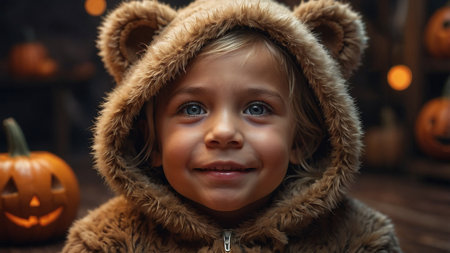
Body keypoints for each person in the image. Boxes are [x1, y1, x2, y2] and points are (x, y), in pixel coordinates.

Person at [63, 0, 402, 252]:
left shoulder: (359, 241)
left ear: (301, 140)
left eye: (257, 108)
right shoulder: (105, 243)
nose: (224, 133)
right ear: (151, 142)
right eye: (192, 108)